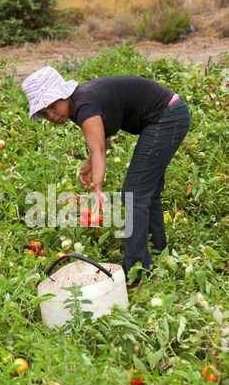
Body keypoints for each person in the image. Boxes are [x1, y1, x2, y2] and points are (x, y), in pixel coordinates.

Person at [22, 66, 191, 289]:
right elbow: (103, 138)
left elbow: (100, 149)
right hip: (170, 112)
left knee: (134, 193)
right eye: (45, 112)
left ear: (64, 94)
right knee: (146, 192)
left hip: (166, 117)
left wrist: (98, 185)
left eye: (53, 106)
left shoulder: (84, 105)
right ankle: (159, 253)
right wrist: (88, 166)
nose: (51, 115)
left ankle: (137, 273)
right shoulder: (77, 104)